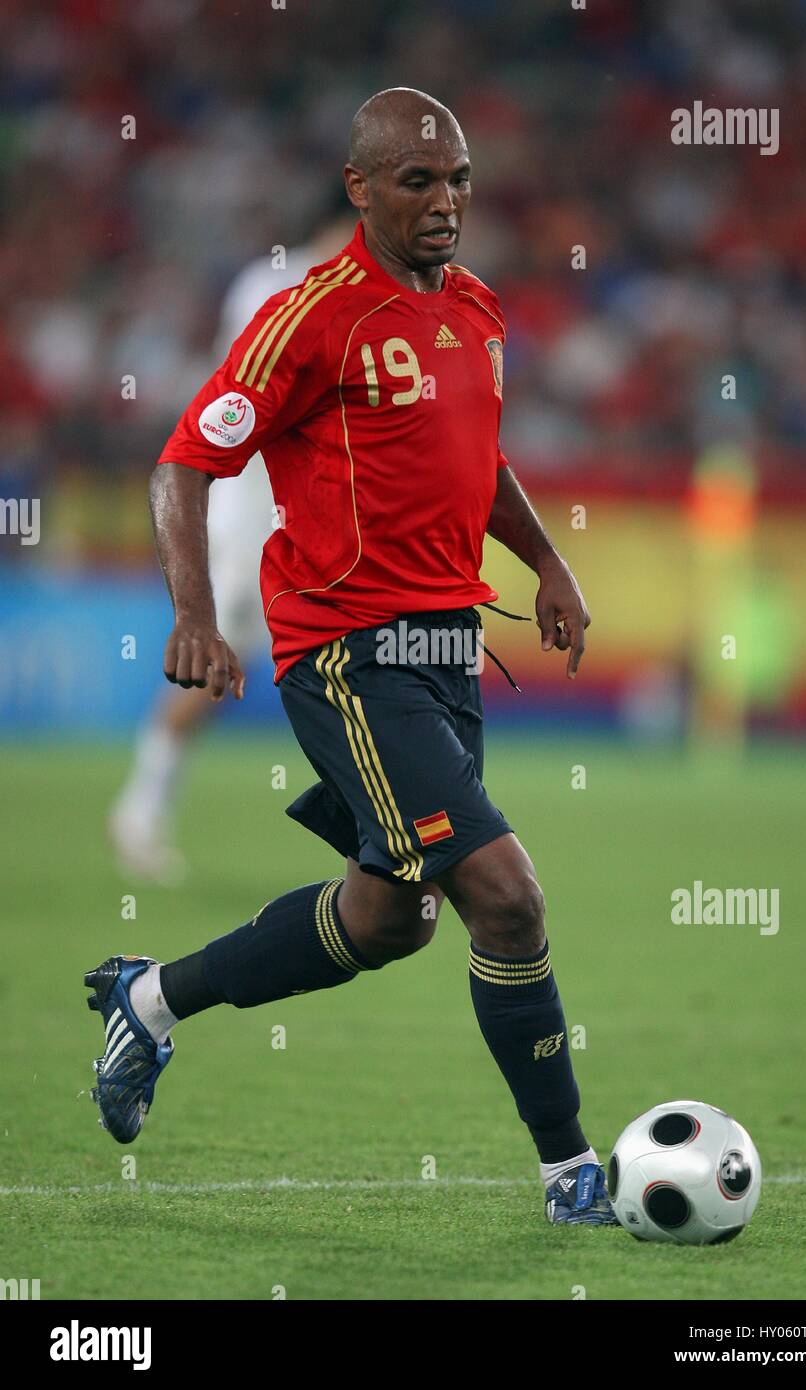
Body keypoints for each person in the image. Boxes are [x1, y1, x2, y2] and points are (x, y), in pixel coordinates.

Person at [84, 88, 615, 1228]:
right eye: (417, 181)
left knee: (388, 919)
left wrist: (545, 564)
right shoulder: (309, 316)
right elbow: (183, 463)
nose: (445, 202)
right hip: (345, 653)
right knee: (505, 900)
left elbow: (479, 451)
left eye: (459, 179)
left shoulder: (474, 309)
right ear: (359, 189)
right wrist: (193, 612)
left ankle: (151, 998)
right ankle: (571, 1170)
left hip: (448, 651)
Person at [108, 214, 354, 882]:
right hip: (252, 505)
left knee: (357, 648)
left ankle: (386, 821)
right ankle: (142, 802)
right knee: (223, 661)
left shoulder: (365, 291)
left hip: (318, 507)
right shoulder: (272, 283)